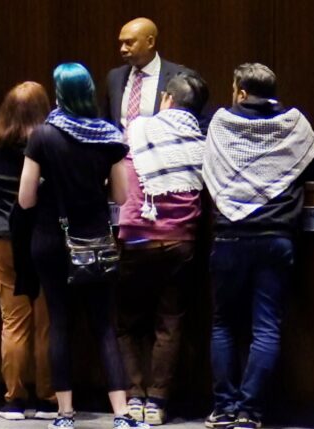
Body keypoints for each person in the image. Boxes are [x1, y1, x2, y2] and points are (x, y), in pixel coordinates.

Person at [18, 62, 145, 429]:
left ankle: (65, 415)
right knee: (105, 326)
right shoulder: (110, 136)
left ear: (58, 95)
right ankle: (121, 415)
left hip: (51, 239)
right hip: (96, 241)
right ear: (89, 94)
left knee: (60, 323)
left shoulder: (42, 136)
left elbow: (25, 199)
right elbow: (121, 196)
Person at [201, 63, 314, 429]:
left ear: (239, 90)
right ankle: (249, 413)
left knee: (223, 324)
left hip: (229, 237)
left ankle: (223, 408)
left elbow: (207, 168)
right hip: (276, 238)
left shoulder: (221, 122)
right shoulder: (295, 124)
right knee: (266, 327)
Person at [116, 72, 209, 425]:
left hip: (138, 238)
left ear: (167, 99)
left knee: (128, 324)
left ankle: (134, 397)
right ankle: (156, 403)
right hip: (182, 240)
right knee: (169, 322)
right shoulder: (202, 139)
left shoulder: (138, 129)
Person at [0, 82, 57, 420]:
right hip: (42, 238)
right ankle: (47, 398)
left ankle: (14, 399)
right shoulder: (48, 146)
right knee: (46, 321)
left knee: (13, 321)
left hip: (2, 238)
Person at [103, 17, 192, 130]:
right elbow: (107, 121)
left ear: (150, 42)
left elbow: (196, 124)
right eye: (121, 43)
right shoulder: (115, 77)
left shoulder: (179, 77)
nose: (123, 49)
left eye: (129, 43)